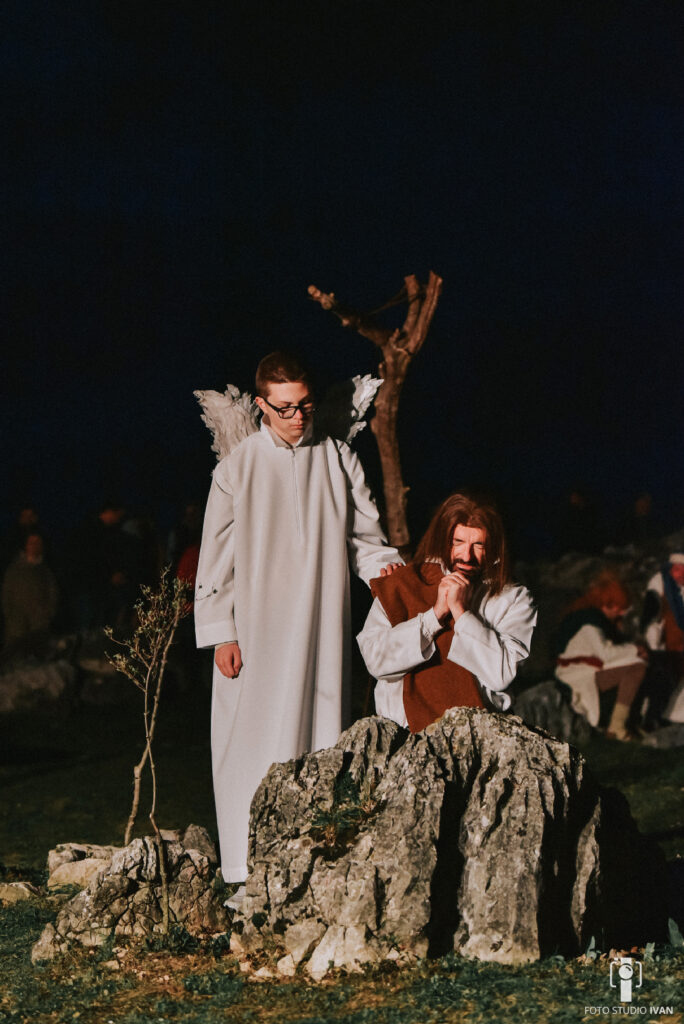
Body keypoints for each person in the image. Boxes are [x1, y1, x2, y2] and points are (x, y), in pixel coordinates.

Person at [194, 351, 401, 885]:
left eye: (304, 405)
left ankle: (312, 863)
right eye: (284, 408)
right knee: (249, 738)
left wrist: (399, 586)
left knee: (319, 730)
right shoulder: (238, 467)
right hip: (255, 630)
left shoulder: (338, 458)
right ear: (262, 405)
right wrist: (221, 633)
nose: (297, 417)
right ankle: (244, 869)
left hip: (320, 623)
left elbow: (367, 541)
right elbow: (214, 558)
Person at [357, 493, 537, 733]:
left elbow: (501, 674)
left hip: (479, 732)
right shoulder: (405, 582)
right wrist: (435, 615)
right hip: (403, 731)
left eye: (479, 545)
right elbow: (375, 660)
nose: (467, 556)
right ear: (442, 539)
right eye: (458, 542)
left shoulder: (513, 599)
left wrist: (461, 613)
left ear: (495, 546)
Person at [555, 573, 647, 740]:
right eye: (619, 608)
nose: (621, 613)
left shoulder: (596, 620)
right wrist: (635, 650)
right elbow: (606, 654)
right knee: (637, 668)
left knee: (638, 665)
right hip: (577, 674)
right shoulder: (590, 625)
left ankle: (627, 723)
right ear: (608, 605)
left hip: (588, 668)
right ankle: (616, 726)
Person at [640, 553, 684, 725]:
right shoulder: (660, 583)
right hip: (665, 646)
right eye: (678, 570)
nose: (681, 575)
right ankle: (655, 716)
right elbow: (651, 617)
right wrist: (654, 645)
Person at [2, 531, 59, 655]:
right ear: (26, 545)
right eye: (32, 543)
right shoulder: (14, 569)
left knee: (38, 655)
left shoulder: (45, 571)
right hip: (17, 624)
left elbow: (52, 593)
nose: (35, 546)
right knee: (14, 654)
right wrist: (9, 614)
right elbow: (6, 594)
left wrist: (48, 614)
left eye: (38, 543)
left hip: (39, 623)